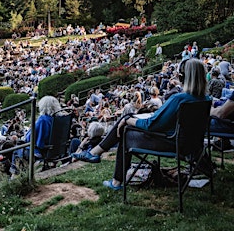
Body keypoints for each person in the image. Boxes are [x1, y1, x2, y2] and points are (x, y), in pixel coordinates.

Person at [73, 59, 209, 190]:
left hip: (172, 143)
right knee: (126, 122)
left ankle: (112, 176)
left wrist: (127, 119)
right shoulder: (206, 99)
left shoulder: (179, 98)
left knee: (125, 130)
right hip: (192, 145)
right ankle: (95, 153)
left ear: (185, 77)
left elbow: (151, 124)